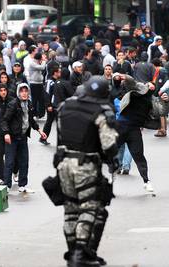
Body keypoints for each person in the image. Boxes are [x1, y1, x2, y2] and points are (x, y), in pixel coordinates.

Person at [56, 76, 118, 266]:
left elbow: (59, 137)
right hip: (86, 165)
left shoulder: (64, 107)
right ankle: (81, 254)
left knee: (70, 210)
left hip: (63, 164)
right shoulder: (100, 111)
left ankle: (74, 251)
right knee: (89, 208)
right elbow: (109, 145)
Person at [1, 83, 47, 192]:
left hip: (23, 137)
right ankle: (7, 185)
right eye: (22, 91)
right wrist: (6, 133)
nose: (24, 93)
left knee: (24, 161)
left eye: (26, 91)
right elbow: (4, 120)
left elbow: (31, 120)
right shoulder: (13, 104)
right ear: (18, 92)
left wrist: (40, 131)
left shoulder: (29, 104)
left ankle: (22, 185)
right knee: (10, 162)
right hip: (12, 137)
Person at [116, 74, 156, 194]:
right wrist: (124, 76)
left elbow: (161, 111)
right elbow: (131, 82)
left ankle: (146, 181)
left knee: (139, 156)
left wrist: (165, 101)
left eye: (150, 86)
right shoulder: (134, 93)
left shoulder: (150, 100)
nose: (148, 87)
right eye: (147, 85)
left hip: (134, 130)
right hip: (121, 127)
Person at [41, 66, 60, 145]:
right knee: (49, 122)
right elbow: (47, 94)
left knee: (50, 122)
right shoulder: (50, 81)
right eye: (59, 71)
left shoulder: (57, 81)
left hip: (55, 105)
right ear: (55, 73)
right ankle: (43, 138)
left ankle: (43, 138)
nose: (60, 73)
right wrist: (48, 105)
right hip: (51, 105)